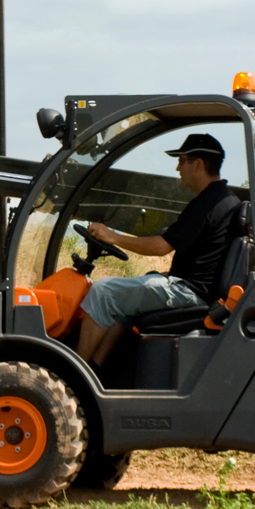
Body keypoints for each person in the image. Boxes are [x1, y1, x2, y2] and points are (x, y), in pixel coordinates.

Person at [75, 132, 241, 366]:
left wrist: (113, 237)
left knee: (103, 291)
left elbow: (161, 246)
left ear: (199, 164)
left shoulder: (209, 204)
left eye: (182, 161)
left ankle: (72, 378)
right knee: (127, 300)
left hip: (189, 294)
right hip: (192, 288)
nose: (177, 168)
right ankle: (95, 367)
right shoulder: (219, 199)